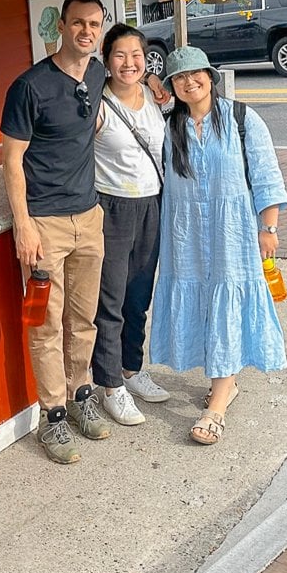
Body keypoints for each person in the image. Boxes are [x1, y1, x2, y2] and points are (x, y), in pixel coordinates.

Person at [149, 45, 287, 446]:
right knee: (203, 304)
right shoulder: (168, 124)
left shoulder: (242, 119)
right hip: (186, 235)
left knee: (226, 300)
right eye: (179, 77)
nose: (188, 82)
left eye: (196, 74)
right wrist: (151, 84)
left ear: (210, 76)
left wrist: (269, 227)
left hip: (234, 232)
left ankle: (217, 404)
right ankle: (224, 383)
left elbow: (265, 174)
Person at [1, 0, 112, 464]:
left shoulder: (98, 71)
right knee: (46, 324)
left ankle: (81, 395)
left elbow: (94, 115)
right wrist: (23, 226)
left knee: (83, 319)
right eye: (78, 23)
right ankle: (53, 418)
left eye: (94, 24)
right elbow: (11, 160)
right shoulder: (30, 87)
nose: (87, 32)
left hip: (88, 217)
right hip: (44, 223)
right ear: (61, 26)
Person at [91, 24, 171, 426]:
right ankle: (110, 386)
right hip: (112, 208)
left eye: (135, 55)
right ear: (106, 60)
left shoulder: (156, 99)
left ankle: (131, 368)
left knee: (139, 294)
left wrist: (157, 82)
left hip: (150, 205)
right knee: (111, 299)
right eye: (120, 55)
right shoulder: (96, 103)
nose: (129, 63)